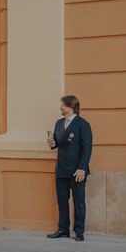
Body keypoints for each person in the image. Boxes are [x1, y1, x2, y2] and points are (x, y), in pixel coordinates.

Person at [46, 95, 93, 242]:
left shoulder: (83, 124)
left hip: (77, 170)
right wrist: (52, 143)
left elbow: (87, 148)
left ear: (71, 106)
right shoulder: (59, 123)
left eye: (63, 105)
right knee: (62, 201)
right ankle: (63, 229)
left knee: (78, 202)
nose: (60, 107)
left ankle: (79, 231)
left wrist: (82, 169)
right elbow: (57, 144)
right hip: (61, 169)